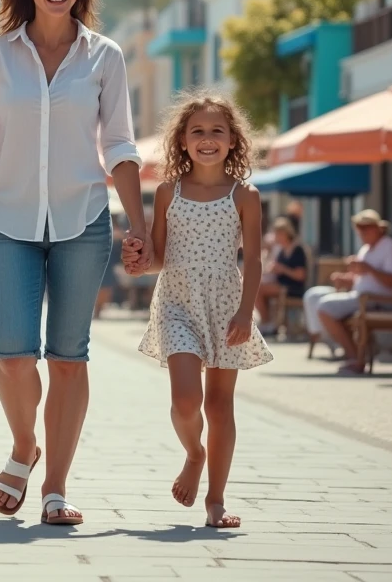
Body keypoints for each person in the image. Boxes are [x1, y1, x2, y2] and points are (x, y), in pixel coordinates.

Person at [0, 0, 149, 527]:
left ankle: (55, 485)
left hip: (84, 220)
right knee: (11, 357)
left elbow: (120, 146)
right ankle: (23, 446)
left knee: (68, 358)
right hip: (7, 219)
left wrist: (139, 226)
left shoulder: (105, 56)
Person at [124, 93, 272, 530]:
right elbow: (159, 257)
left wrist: (246, 313)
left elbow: (255, 261)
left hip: (227, 304)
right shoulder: (168, 191)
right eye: (198, 131)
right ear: (183, 141)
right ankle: (194, 453)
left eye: (217, 131)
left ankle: (216, 501)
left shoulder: (245, 195)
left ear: (232, 140)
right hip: (176, 303)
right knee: (186, 400)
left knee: (220, 405)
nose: (207, 139)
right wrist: (137, 263)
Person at [302, 210, 392, 374]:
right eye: (359, 228)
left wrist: (368, 269)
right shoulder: (366, 249)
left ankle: (355, 357)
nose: (362, 232)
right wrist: (346, 279)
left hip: (379, 299)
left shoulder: (389, 246)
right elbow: (363, 278)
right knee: (314, 295)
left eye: (366, 227)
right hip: (361, 296)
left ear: (378, 227)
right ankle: (338, 345)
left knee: (325, 307)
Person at [254, 217, 308, 334]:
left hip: (292, 287)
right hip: (281, 284)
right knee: (256, 286)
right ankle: (268, 322)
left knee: (258, 289)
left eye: (278, 233)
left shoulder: (297, 249)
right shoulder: (282, 250)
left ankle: (267, 322)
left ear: (285, 233)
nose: (276, 237)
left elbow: (300, 275)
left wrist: (283, 269)